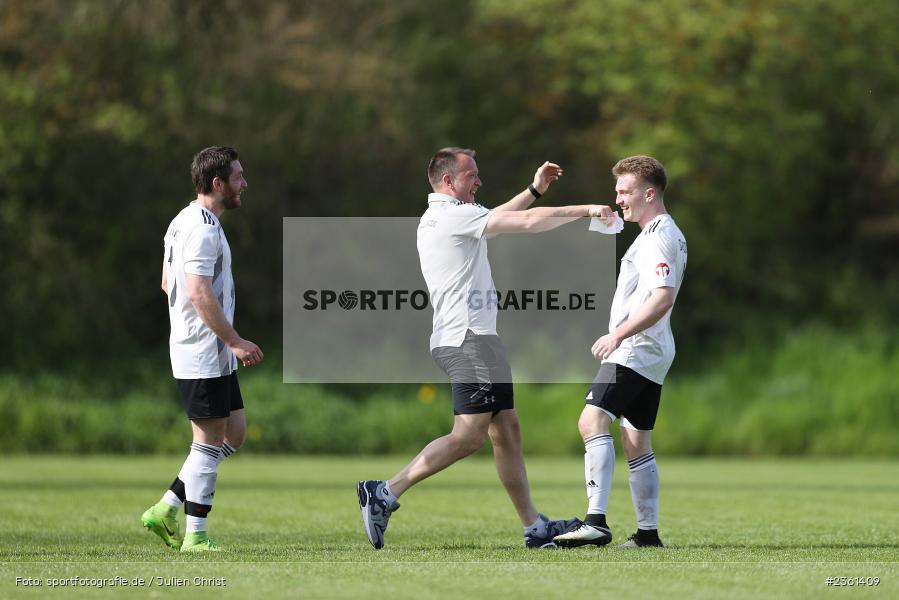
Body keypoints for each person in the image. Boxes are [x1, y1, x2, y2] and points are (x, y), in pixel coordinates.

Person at [358, 147, 613, 549]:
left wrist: (534, 188)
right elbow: (525, 223)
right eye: (472, 175)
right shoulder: (453, 215)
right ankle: (385, 492)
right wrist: (586, 210)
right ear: (448, 182)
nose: (479, 182)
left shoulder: (450, 215)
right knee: (470, 435)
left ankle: (534, 526)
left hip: (477, 340)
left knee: (507, 430)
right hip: (468, 340)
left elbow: (501, 218)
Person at [553, 155, 687, 549]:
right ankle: (647, 534)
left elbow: (663, 297)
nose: (618, 199)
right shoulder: (655, 233)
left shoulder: (660, 235)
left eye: (624, 191)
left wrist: (618, 335)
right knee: (635, 441)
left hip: (635, 348)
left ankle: (595, 521)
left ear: (649, 193)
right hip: (653, 350)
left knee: (591, 421)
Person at [141, 146, 263, 552]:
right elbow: (196, 290)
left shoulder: (182, 221)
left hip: (212, 353)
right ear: (218, 183)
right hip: (203, 353)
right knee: (208, 442)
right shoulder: (204, 228)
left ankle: (166, 505)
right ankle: (196, 536)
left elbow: (165, 282)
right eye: (239, 177)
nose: (244, 183)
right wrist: (233, 339)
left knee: (235, 433)